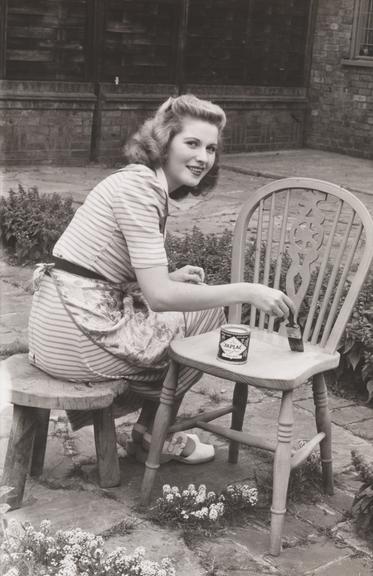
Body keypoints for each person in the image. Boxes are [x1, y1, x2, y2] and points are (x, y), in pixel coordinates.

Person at [28, 94, 294, 464]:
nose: (203, 157)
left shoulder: (140, 183)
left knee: (193, 301)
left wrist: (168, 276)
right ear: (163, 141)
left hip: (57, 323)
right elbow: (160, 298)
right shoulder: (141, 189)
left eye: (211, 148)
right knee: (207, 318)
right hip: (72, 337)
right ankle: (153, 435)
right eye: (192, 143)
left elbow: (98, 268)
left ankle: (147, 429)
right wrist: (247, 291)